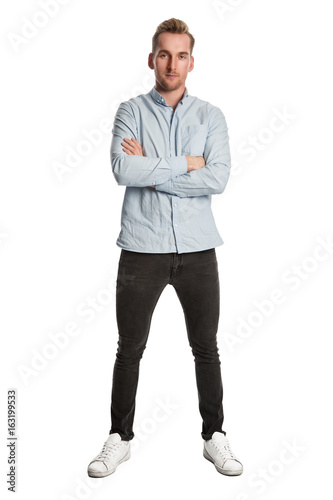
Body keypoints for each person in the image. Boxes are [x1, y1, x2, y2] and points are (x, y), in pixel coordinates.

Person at [87, 18, 243, 477]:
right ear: (151, 58)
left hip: (198, 250)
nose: (171, 63)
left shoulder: (210, 116)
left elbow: (218, 178)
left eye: (180, 55)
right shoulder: (130, 111)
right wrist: (186, 165)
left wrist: (153, 169)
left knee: (206, 347)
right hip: (141, 248)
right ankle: (120, 438)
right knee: (129, 347)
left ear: (191, 62)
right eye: (163, 54)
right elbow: (122, 170)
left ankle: (214, 436)